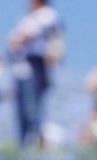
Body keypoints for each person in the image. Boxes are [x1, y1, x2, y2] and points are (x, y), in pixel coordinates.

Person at [7, 0, 61, 148]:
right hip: (21, 64)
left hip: (36, 64)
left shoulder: (48, 14)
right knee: (22, 108)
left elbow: (25, 36)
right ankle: (23, 144)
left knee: (33, 108)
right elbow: (13, 41)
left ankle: (36, 143)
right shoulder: (28, 17)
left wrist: (18, 40)